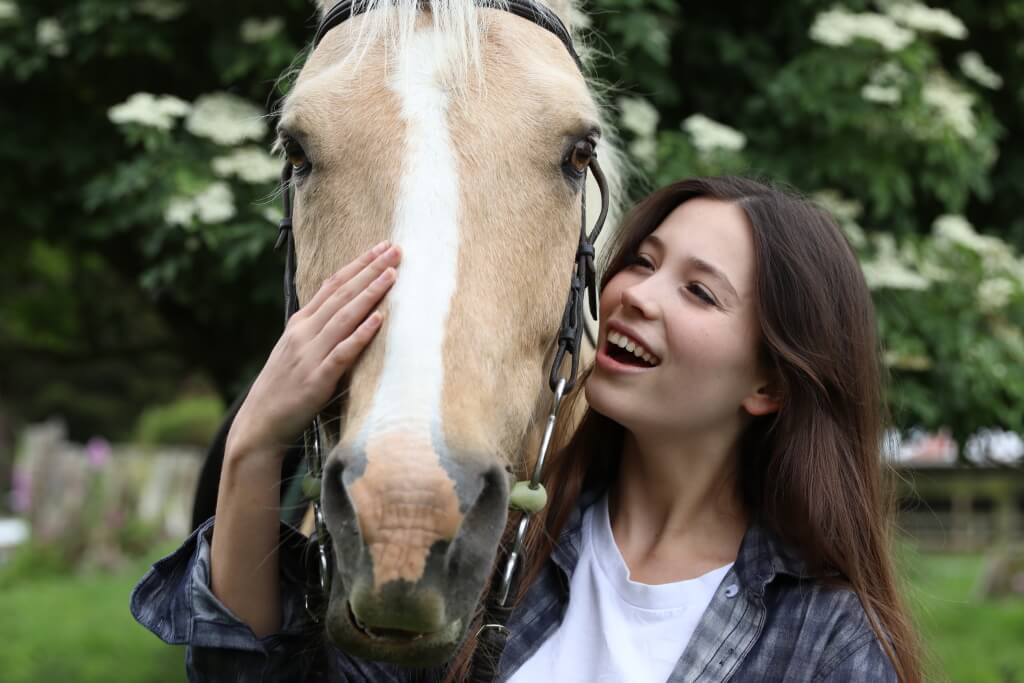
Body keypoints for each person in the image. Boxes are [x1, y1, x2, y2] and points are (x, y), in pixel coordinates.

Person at [132, 176, 922, 682]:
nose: (638, 295)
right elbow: (256, 673)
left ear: (769, 383)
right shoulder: (499, 541)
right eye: (643, 261)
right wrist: (254, 443)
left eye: (699, 292)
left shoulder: (826, 641)